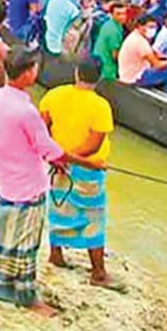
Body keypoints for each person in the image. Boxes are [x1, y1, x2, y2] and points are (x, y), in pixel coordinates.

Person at [0, 47, 67, 313]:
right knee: (25, 243)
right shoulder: (26, 111)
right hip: (29, 185)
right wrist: (69, 158)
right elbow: (47, 148)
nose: (36, 71)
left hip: (5, 177)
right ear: (26, 74)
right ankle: (25, 295)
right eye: (34, 67)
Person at [40, 59, 121, 285]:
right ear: (98, 78)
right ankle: (98, 273)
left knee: (58, 208)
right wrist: (68, 156)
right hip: (87, 167)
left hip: (58, 165)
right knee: (93, 217)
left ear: (76, 73)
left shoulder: (54, 95)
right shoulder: (101, 106)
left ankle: (56, 255)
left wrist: (58, 155)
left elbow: (42, 129)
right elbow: (93, 145)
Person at [118, 16, 167, 95]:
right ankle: (166, 94)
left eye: (154, 27)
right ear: (140, 26)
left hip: (129, 74)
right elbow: (157, 65)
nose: (153, 30)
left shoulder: (134, 36)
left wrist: (160, 57)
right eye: (150, 27)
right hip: (135, 78)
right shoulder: (140, 42)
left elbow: (151, 53)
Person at [91, 2, 128, 81]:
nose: (122, 17)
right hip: (107, 68)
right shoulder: (113, 31)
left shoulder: (111, 24)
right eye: (118, 14)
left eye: (124, 14)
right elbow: (115, 55)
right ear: (111, 14)